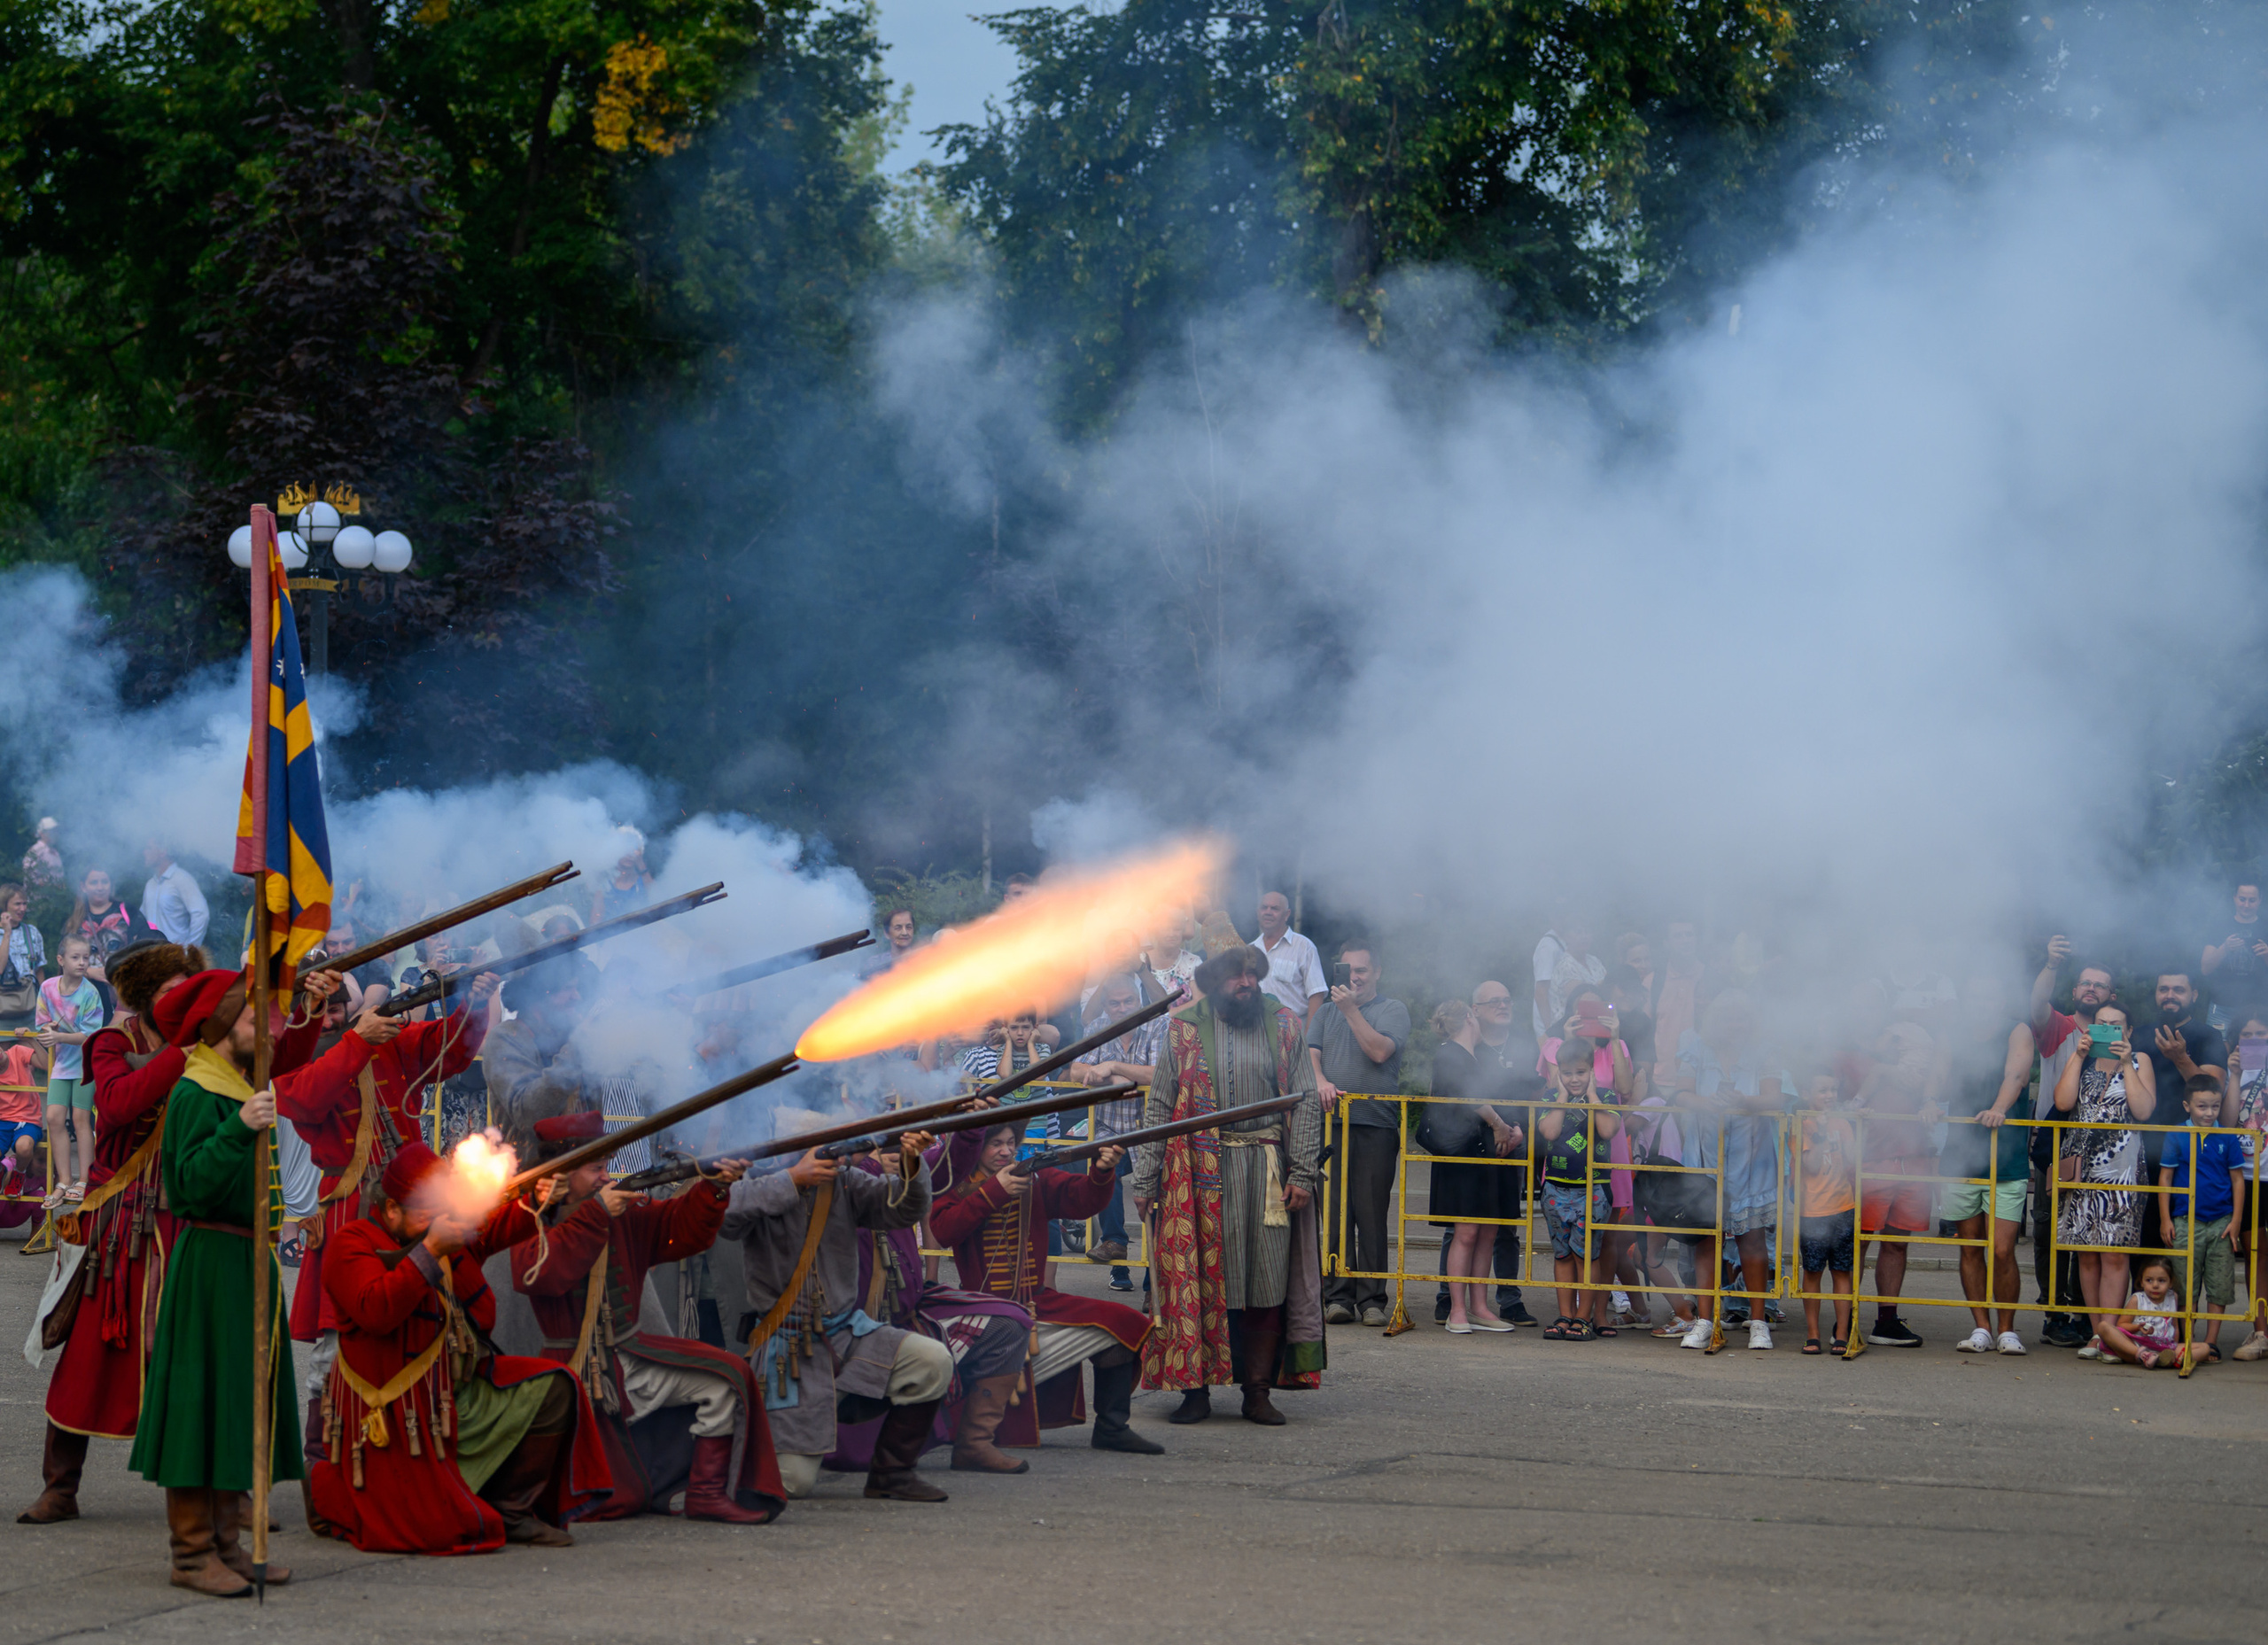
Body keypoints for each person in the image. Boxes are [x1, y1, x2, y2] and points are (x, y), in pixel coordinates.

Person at [307, 1143, 612, 1551]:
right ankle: (330, 1492)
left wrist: (537, 1199)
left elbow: (498, 1226)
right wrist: (431, 1251)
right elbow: (376, 1310)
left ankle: (512, 1509)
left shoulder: (441, 1233)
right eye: (427, 1211)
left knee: (558, 1387)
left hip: (454, 1391)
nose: (439, 1219)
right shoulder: (352, 1243)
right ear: (392, 1209)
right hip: (398, 1411)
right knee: (444, 1530)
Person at [123, 968, 305, 1597]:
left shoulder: (239, 1082)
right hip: (210, 1264)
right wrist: (241, 1127)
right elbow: (192, 1185)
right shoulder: (200, 1092)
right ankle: (192, 1552)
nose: (268, 1028)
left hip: (248, 1263)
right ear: (222, 1026)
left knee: (239, 1403)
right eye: (255, 1018)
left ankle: (229, 1543)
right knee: (203, 1403)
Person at [513, 1112, 784, 1523]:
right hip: (573, 1370)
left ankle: (707, 1494)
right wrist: (596, 1215)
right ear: (563, 1173)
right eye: (596, 1169)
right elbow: (541, 1276)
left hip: (629, 1356)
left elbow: (681, 1229)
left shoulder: (619, 1211)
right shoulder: (531, 1220)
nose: (606, 1178)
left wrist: (713, 1186)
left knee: (729, 1376)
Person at [287, 972, 496, 1445]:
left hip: (412, 1201)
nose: (329, 1020)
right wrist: (357, 1040)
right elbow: (304, 1098)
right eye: (318, 1012)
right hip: (350, 1210)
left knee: (429, 1312)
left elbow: (449, 1051)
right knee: (339, 1337)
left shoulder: (382, 1040)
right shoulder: (297, 1056)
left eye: (336, 1010)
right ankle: (323, 1446)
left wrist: (473, 1004)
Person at [1130, 943, 1325, 1425]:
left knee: (1265, 1282)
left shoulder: (1284, 1025)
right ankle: (1194, 1392)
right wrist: (1146, 1178)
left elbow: (1303, 1102)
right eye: (1237, 977)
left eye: (1252, 976)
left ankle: (1257, 1392)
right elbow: (1159, 1107)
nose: (1247, 984)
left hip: (1265, 1171)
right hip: (1194, 1175)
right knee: (1195, 1285)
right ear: (1214, 983)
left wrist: (1302, 1171)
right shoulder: (1183, 1027)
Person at [720, 1117, 956, 1502]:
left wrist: (913, 1162)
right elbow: (725, 1216)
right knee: (792, 1483)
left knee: (931, 1360)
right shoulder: (759, 1183)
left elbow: (901, 1211)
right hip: (788, 1348)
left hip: (847, 1333)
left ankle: (892, 1474)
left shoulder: (846, 1182)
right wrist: (794, 1179)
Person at [929, 1122, 1164, 1460]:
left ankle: (1112, 1428)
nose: (1006, 1151)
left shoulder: (1034, 1179)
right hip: (982, 1310)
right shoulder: (959, 1186)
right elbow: (945, 1230)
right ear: (976, 1149)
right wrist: (994, 1191)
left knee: (1124, 1323)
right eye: (996, 1144)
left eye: (1011, 1143)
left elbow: (1083, 1201)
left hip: (1038, 1301)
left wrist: (1101, 1170)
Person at [1671, 992, 1792, 1352]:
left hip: (1752, 1159)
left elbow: (1776, 1099)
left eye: (1742, 1018)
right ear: (1715, 1021)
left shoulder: (1766, 1052)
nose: (1735, 1025)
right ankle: (1706, 1322)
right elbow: (1679, 1095)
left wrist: (1744, 1102)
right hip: (1705, 1156)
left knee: (1753, 1241)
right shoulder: (1695, 1050)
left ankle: (1759, 1323)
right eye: (1728, 1018)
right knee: (1708, 1240)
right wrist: (1706, 1104)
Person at [1935, 974, 2037, 1355]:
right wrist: (1929, 1098)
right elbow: (1939, 1074)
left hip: (2005, 1159)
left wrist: (1999, 1108)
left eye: (1989, 996)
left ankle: (2007, 1328)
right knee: (1969, 1247)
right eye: (1975, 995)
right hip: (1962, 1159)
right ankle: (1981, 1327)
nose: (1982, 1002)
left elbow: (2016, 1073)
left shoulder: (2018, 1030)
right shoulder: (1953, 1032)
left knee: (2002, 1249)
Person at [1310, 943, 1409, 1328]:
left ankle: (1371, 1300)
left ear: (1377, 972)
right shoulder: (1324, 1012)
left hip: (1375, 1125)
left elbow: (1380, 1052)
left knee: (1370, 1214)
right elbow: (1311, 1054)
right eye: (1348, 969)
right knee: (1333, 1214)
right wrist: (1320, 1081)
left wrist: (1350, 1009)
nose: (1354, 976)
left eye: (1362, 970)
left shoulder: (1392, 1010)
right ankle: (1337, 1296)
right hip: (1331, 1124)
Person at [2051, 1003, 2155, 1359]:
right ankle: (2097, 1333)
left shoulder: (2140, 1060)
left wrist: (2126, 1063)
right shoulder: (2082, 1059)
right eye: (2101, 1025)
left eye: (2116, 1025)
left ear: (2128, 1031)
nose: (2108, 1030)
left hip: (2122, 1169)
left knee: (2114, 1252)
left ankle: (2111, 1332)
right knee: (2087, 1253)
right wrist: (2077, 1057)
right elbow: (2063, 1102)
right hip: (2082, 1168)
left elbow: (2143, 1111)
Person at [2028, 937, 2116, 1345]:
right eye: (2085, 983)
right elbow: (2034, 1007)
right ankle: (2054, 1312)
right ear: (2074, 990)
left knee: (2092, 1231)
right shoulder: (2059, 1026)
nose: (2091, 990)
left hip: (2101, 1151)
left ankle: (2086, 1315)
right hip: (2056, 1145)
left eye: (2099, 985)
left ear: (2110, 995)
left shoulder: (2118, 1034)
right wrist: (2050, 964)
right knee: (2050, 1230)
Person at [1422, 999, 1520, 1334]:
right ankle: (1458, 1309)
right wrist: (1499, 1124)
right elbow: (1468, 1094)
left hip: (1481, 1153)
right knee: (1465, 1233)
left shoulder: (1471, 1056)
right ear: (1468, 1017)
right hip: (1462, 1153)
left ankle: (1479, 1306)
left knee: (1486, 1231)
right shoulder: (1449, 1052)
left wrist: (1508, 1130)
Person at [1062, 973, 1163, 1286]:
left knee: (1156, 1196)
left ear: (1139, 1001)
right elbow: (1075, 1070)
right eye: (1115, 1003)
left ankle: (1152, 1278)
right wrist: (1113, 1080)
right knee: (1102, 1166)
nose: (1122, 1008)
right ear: (1105, 1006)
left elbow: (1157, 1073)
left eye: (1128, 1001)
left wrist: (1115, 1068)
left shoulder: (1159, 1024)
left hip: (1153, 1128)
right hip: (1110, 1125)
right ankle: (1115, 1243)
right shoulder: (1096, 1028)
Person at [1852, 1019, 1940, 1348]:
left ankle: (1886, 1322)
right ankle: (1844, 1320)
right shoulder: (1863, 1052)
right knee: (1858, 1242)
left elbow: (1937, 1081)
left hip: (1913, 1159)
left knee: (1897, 1242)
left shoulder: (1923, 1053)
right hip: (1871, 1159)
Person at [2156, 1074, 2246, 1362]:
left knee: (2219, 1285)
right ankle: (2186, 1340)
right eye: (2202, 1107)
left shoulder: (2227, 1137)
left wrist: (2236, 1221)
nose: (2209, 1113)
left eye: (2215, 1107)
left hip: (2221, 1222)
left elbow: (2237, 1180)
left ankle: (2211, 1343)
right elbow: (2166, 1178)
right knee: (2184, 1283)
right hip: (2185, 1220)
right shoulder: (2177, 1134)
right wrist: (2165, 1219)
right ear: (2187, 1106)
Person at [1537, 1038, 1619, 1339]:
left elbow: (1608, 1131)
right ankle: (1565, 1315)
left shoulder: (1608, 1097)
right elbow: (1550, 1131)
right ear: (1559, 1073)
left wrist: (1594, 1096)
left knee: (1587, 1256)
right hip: (1556, 1189)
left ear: (1592, 1072)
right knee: (1562, 1255)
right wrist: (1561, 1095)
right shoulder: (1550, 1099)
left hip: (1593, 1189)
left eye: (1581, 1072)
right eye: (1568, 1073)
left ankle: (1584, 1317)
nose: (1574, 1079)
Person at [481, 953, 596, 1152]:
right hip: (530, 1170)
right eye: (568, 988)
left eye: (577, 988)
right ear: (539, 995)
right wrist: (575, 1051)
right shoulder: (506, 1038)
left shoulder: (572, 1034)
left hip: (579, 1167)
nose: (577, 997)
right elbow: (529, 1113)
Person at [35, 936, 105, 1205]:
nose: (82, 962)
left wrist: (59, 1037)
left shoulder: (90, 992)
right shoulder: (47, 987)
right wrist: (49, 1029)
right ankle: (64, 1180)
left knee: (80, 1118)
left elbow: (90, 1035)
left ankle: (85, 1179)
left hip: (86, 1065)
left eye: (86, 958)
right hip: (62, 1064)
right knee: (53, 1118)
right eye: (76, 957)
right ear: (61, 960)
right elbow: (42, 1022)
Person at [1795, 1068, 1857, 1354]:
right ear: (1806, 1094)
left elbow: (1853, 1159)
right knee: (1813, 1272)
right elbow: (1810, 1166)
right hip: (1813, 1212)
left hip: (1844, 1206)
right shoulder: (1800, 1124)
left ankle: (1842, 1334)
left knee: (1842, 1271)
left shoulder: (1842, 1123)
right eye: (1822, 1090)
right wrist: (1819, 1136)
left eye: (1833, 1090)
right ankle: (1813, 1333)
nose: (1830, 1095)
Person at [2229, 1014, 2268, 1360]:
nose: (2254, 1040)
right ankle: (2260, 1332)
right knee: (2255, 1255)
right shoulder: (2233, 1073)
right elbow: (2226, 1122)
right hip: (2247, 1176)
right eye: (2247, 1035)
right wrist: (2236, 1074)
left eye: (2261, 1034)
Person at [2097, 1258, 2205, 1372]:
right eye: (2149, 1280)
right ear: (2141, 1282)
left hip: (2164, 1347)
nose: (2155, 1285)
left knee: (2204, 1348)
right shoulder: (2137, 1299)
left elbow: (2174, 1326)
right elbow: (2122, 1325)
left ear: (2171, 1282)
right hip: (2137, 1344)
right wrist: (2137, 1327)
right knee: (2103, 1326)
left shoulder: (2173, 1297)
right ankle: (2146, 1356)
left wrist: (2174, 1346)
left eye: (2161, 1281)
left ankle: (2164, 1359)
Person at [2201, 880, 2268, 1031]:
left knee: (2254, 1052)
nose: (2246, 905)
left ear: (2260, 900)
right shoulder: (2219, 926)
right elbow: (2205, 968)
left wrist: (2266, 955)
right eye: (2242, 899)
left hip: (2257, 1009)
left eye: (2252, 900)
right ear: (2234, 898)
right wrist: (2225, 948)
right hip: (2221, 1007)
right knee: (2217, 1051)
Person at [1253, 890, 1326, 1023]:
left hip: (1292, 1034)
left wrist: (1308, 1040)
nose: (1268, 912)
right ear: (1258, 912)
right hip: (1254, 1035)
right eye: (1264, 907)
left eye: (1275, 908)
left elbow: (1316, 995)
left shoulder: (1304, 947)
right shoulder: (1249, 950)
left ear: (1286, 915)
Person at [1532, 916, 1604, 1041]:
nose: (1584, 936)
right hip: (1570, 1031)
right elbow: (1582, 998)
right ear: (1565, 937)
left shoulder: (1594, 961)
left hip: (1595, 1026)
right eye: (1578, 932)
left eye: (1587, 932)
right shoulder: (1564, 965)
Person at [69, 868, 154, 966]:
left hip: (122, 979)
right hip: (87, 981)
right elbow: (67, 960)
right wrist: (89, 972)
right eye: (94, 882)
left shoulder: (128, 911)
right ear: (83, 887)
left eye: (104, 882)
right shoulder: (76, 919)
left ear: (111, 885)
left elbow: (146, 947)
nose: (100, 887)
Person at [138, 842, 208, 948]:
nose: (144, 852)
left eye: (148, 848)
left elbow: (201, 915)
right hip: (151, 955)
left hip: (175, 956)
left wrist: (189, 950)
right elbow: (142, 917)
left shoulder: (182, 879)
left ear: (163, 851)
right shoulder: (150, 884)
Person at [0, 882, 44, 1028]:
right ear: (5, 905)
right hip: (3, 1003)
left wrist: (43, 1001)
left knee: (31, 1049)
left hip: (29, 1004)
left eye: (25, 904)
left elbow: (39, 970)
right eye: (17, 904)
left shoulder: (32, 932)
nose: (23, 908)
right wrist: (7, 933)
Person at [590, 825, 655, 924]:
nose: (630, 854)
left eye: (634, 849)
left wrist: (641, 864)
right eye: (625, 848)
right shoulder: (605, 887)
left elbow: (659, 897)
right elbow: (595, 922)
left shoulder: (644, 880)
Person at [20, 818, 64, 888]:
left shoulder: (55, 853)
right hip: (39, 897)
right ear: (41, 833)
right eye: (51, 831)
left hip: (54, 897)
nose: (55, 834)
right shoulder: (35, 851)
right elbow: (28, 875)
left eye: (56, 831)